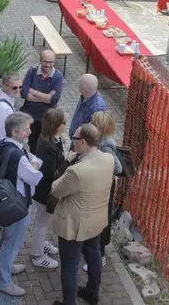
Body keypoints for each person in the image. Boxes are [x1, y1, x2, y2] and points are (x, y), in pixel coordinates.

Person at [50, 123, 114, 305]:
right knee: (93, 253)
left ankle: (69, 302)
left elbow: (55, 190)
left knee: (69, 266)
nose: (73, 141)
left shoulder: (76, 171)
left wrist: (69, 161)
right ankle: (92, 292)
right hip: (96, 220)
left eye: (75, 139)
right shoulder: (108, 159)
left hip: (74, 226)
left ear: (84, 143)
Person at [0, 112, 43, 298]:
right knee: (13, 242)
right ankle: (2, 280)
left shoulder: (4, 145)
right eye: (26, 129)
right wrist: (35, 166)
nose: (29, 131)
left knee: (7, 237)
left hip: (8, 202)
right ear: (14, 131)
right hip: (19, 204)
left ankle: (4, 266)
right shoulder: (19, 156)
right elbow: (34, 178)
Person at [30, 108, 65, 270]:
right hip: (45, 193)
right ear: (56, 126)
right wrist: (68, 160)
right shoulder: (47, 146)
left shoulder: (52, 139)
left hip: (44, 190)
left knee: (42, 223)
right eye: (62, 122)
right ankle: (37, 255)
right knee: (42, 224)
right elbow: (53, 173)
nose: (65, 124)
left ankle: (41, 244)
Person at [90, 111, 123, 271]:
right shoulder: (100, 140)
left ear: (101, 128)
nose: (91, 125)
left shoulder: (106, 145)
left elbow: (118, 167)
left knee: (103, 219)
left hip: (105, 186)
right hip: (100, 184)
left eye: (94, 123)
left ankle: (101, 255)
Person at [21, 49, 64, 153]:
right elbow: (23, 93)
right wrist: (46, 97)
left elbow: (54, 100)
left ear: (54, 62)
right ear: (40, 60)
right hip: (31, 117)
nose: (48, 65)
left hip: (47, 119)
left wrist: (33, 91)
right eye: (45, 61)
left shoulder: (58, 77)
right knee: (32, 144)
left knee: (45, 145)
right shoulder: (32, 72)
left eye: (51, 62)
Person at [0, 74, 21, 178]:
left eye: (20, 87)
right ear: (5, 86)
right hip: (0, 154)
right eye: (14, 87)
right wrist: (5, 160)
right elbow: (1, 138)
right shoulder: (3, 109)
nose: (18, 90)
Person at [68, 74, 106, 140]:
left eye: (79, 82)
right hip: (76, 141)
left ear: (83, 89)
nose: (78, 84)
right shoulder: (86, 95)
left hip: (81, 146)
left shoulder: (97, 108)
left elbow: (94, 135)